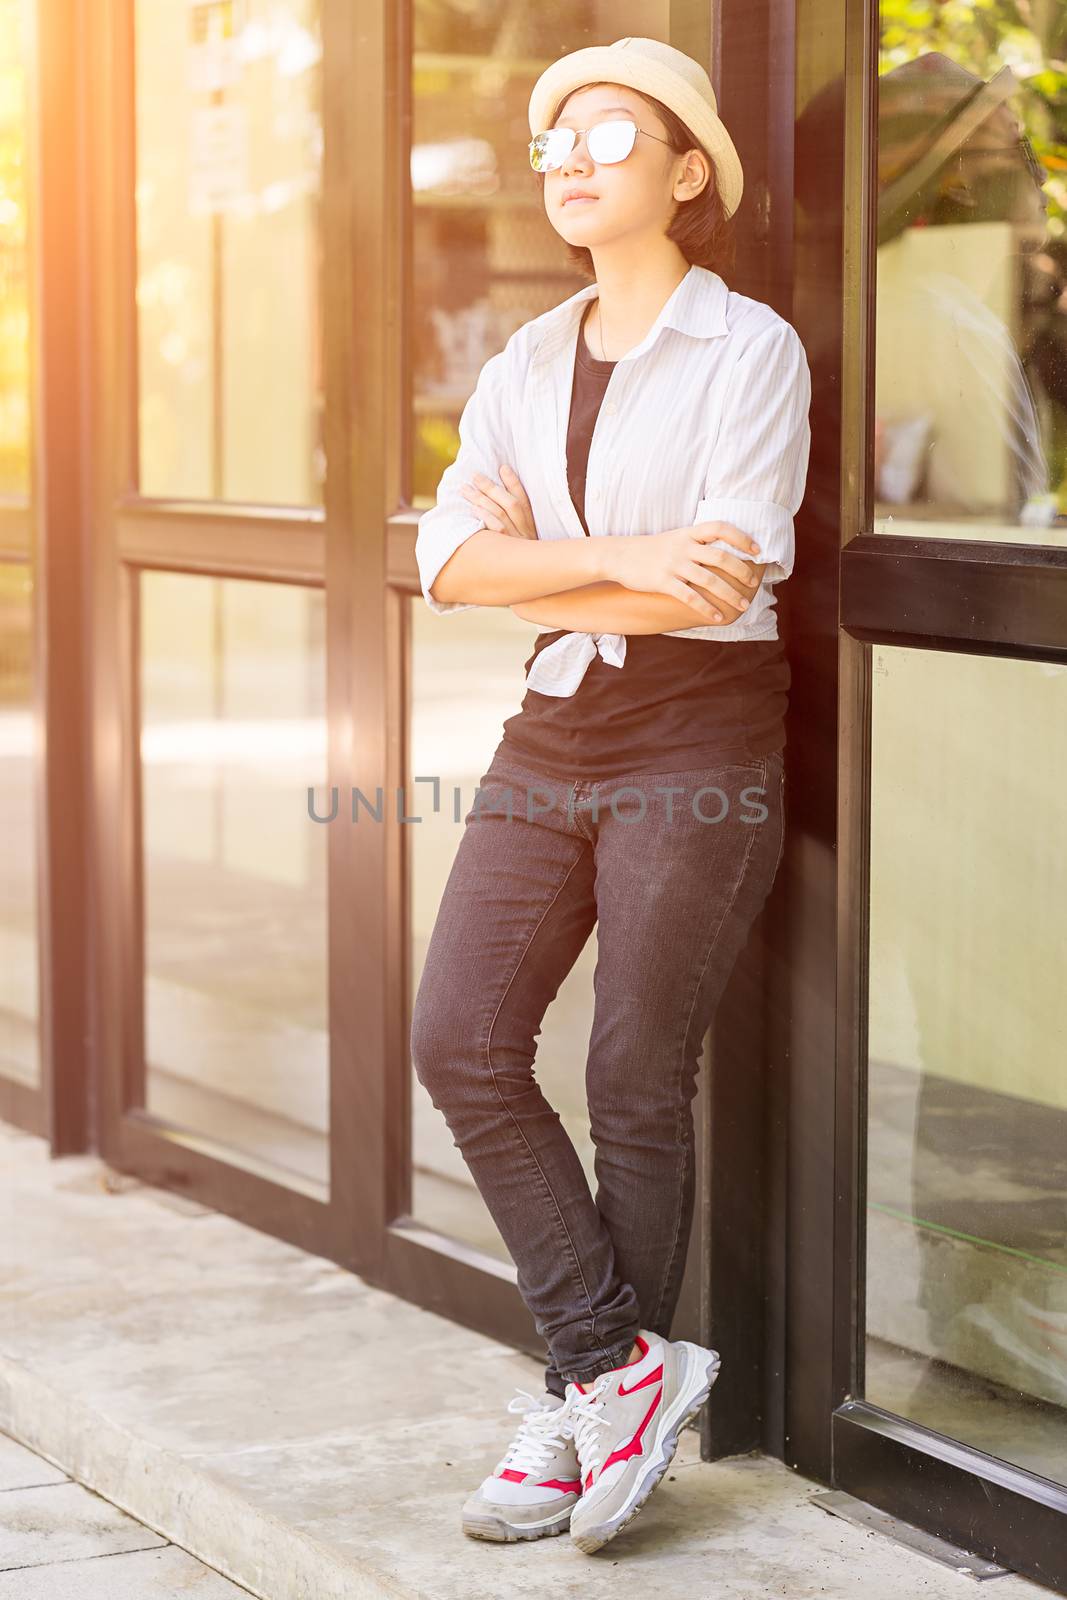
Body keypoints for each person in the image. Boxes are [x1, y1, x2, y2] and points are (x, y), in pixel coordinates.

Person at [410, 36, 812, 1556]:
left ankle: (584, 1411)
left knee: (635, 1072)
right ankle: (611, 1371)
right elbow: (446, 563)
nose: (567, 160)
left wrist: (571, 569)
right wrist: (630, 560)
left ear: (686, 170)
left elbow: (725, 577)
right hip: (557, 730)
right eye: (552, 141)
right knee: (461, 1037)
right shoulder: (522, 362)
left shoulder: (748, 349)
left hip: (699, 738)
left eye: (606, 134)